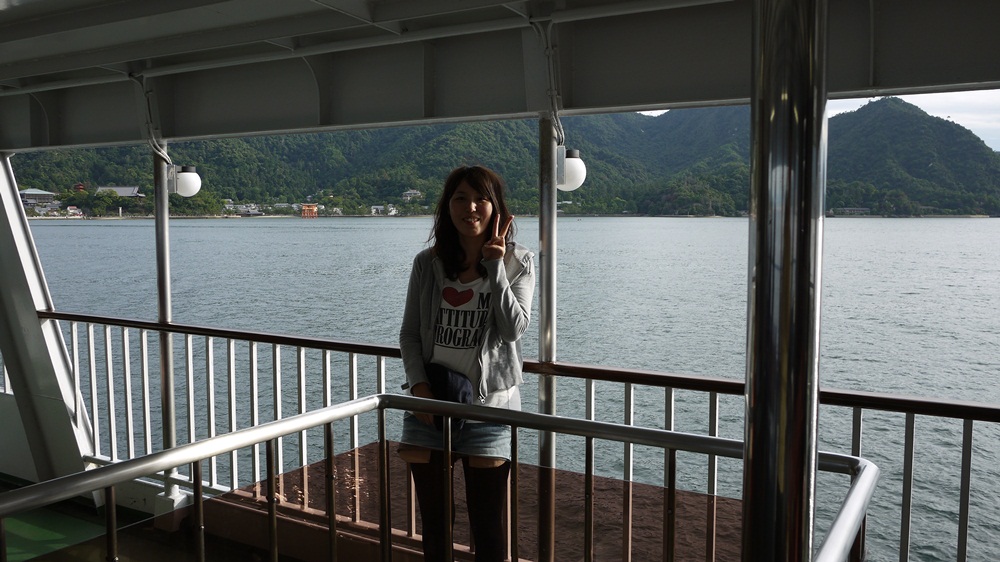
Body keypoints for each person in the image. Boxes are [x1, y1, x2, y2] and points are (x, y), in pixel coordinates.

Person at [398, 165, 535, 562]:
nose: (470, 207)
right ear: (447, 206)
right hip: (430, 406)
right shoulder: (428, 263)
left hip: (489, 411)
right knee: (435, 527)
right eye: (460, 198)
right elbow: (410, 334)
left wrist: (495, 266)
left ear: (496, 208)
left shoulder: (519, 261)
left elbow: (513, 330)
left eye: (481, 199)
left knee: (488, 530)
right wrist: (419, 388)